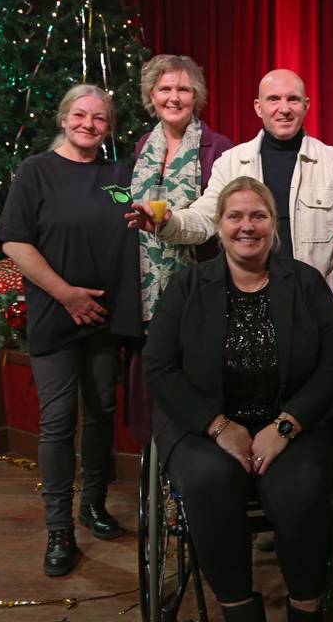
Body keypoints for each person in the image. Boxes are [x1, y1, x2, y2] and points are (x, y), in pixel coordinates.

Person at [144, 177, 333, 622]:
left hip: (290, 422)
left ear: (273, 225)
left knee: (301, 487)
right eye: (235, 216)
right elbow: (158, 368)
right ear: (219, 226)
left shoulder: (305, 283)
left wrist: (287, 425)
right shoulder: (187, 286)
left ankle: (306, 607)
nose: (247, 226)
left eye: (258, 216)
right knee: (210, 481)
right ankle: (238, 609)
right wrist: (218, 426)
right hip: (203, 425)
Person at [0, 84, 141, 576]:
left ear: (109, 126)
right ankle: (58, 530)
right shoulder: (36, 171)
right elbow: (15, 242)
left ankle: (92, 505)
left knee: (101, 413)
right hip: (56, 314)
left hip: (104, 317)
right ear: (63, 119)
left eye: (99, 118)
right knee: (58, 421)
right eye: (79, 115)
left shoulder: (119, 175)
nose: (88, 124)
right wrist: (66, 294)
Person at [126, 68, 333, 300]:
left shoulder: (332, 161)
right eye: (274, 99)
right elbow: (203, 220)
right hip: (246, 300)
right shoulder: (231, 162)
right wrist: (168, 223)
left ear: (306, 105)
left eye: (293, 99)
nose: (284, 109)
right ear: (258, 108)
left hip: (310, 301)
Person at [127, 55, 235, 444]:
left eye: (183, 89)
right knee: (157, 373)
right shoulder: (144, 145)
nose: (174, 97)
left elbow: (218, 221)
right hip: (146, 284)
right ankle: (158, 454)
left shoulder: (217, 147)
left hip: (197, 281)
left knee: (194, 376)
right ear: (151, 95)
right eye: (165, 89)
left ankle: (195, 452)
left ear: (196, 96)